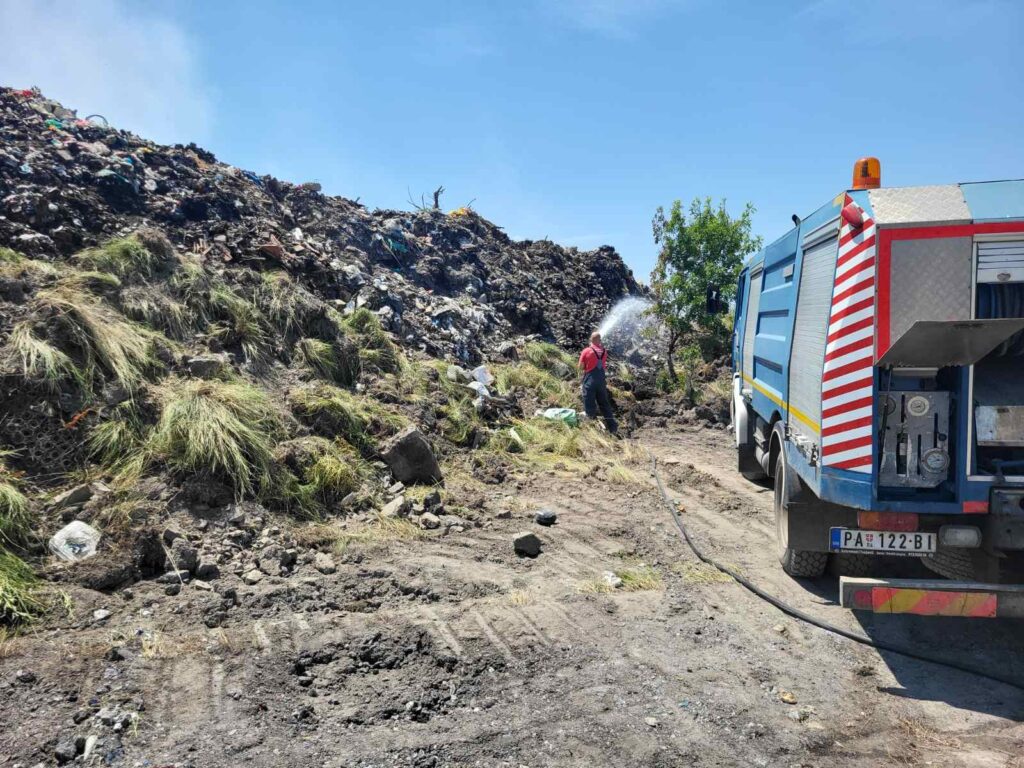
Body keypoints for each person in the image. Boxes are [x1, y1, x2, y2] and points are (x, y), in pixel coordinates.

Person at [578, 331, 618, 435]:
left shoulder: (586, 351)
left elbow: (581, 367)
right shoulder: (604, 351)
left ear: (591, 339)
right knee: (604, 403)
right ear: (599, 340)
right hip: (601, 381)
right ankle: (613, 427)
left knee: (589, 402)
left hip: (590, 380)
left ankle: (591, 430)